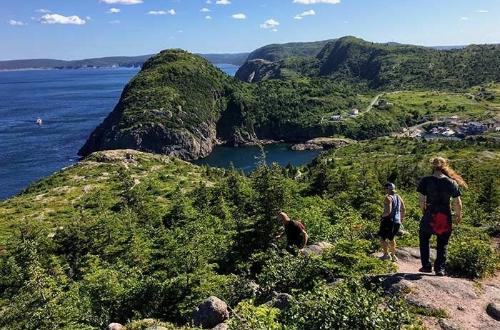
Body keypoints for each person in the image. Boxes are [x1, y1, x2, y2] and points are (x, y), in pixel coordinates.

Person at [417, 157, 466, 276]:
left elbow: (422, 201)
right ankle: (440, 269)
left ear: (432, 166)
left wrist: (424, 211)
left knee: (424, 239)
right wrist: (458, 215)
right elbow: (457, 202)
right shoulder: (451, 182)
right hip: (445, 215)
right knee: (443, 242)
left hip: (430, 213)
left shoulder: (425, 180)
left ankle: (426, 266)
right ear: (444, 166)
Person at [379, 182, 406, 262]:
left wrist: (381, 216)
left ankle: (385, 255)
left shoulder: (388, 198)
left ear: (388, 189)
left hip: (388, 221)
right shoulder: (398, 197)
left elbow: (388, 211)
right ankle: (393, 256)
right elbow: (403, 209)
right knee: (392, 238)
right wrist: (401, 219)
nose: (385, 190)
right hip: (397, 221)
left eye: (385, 188)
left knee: (382, 238)